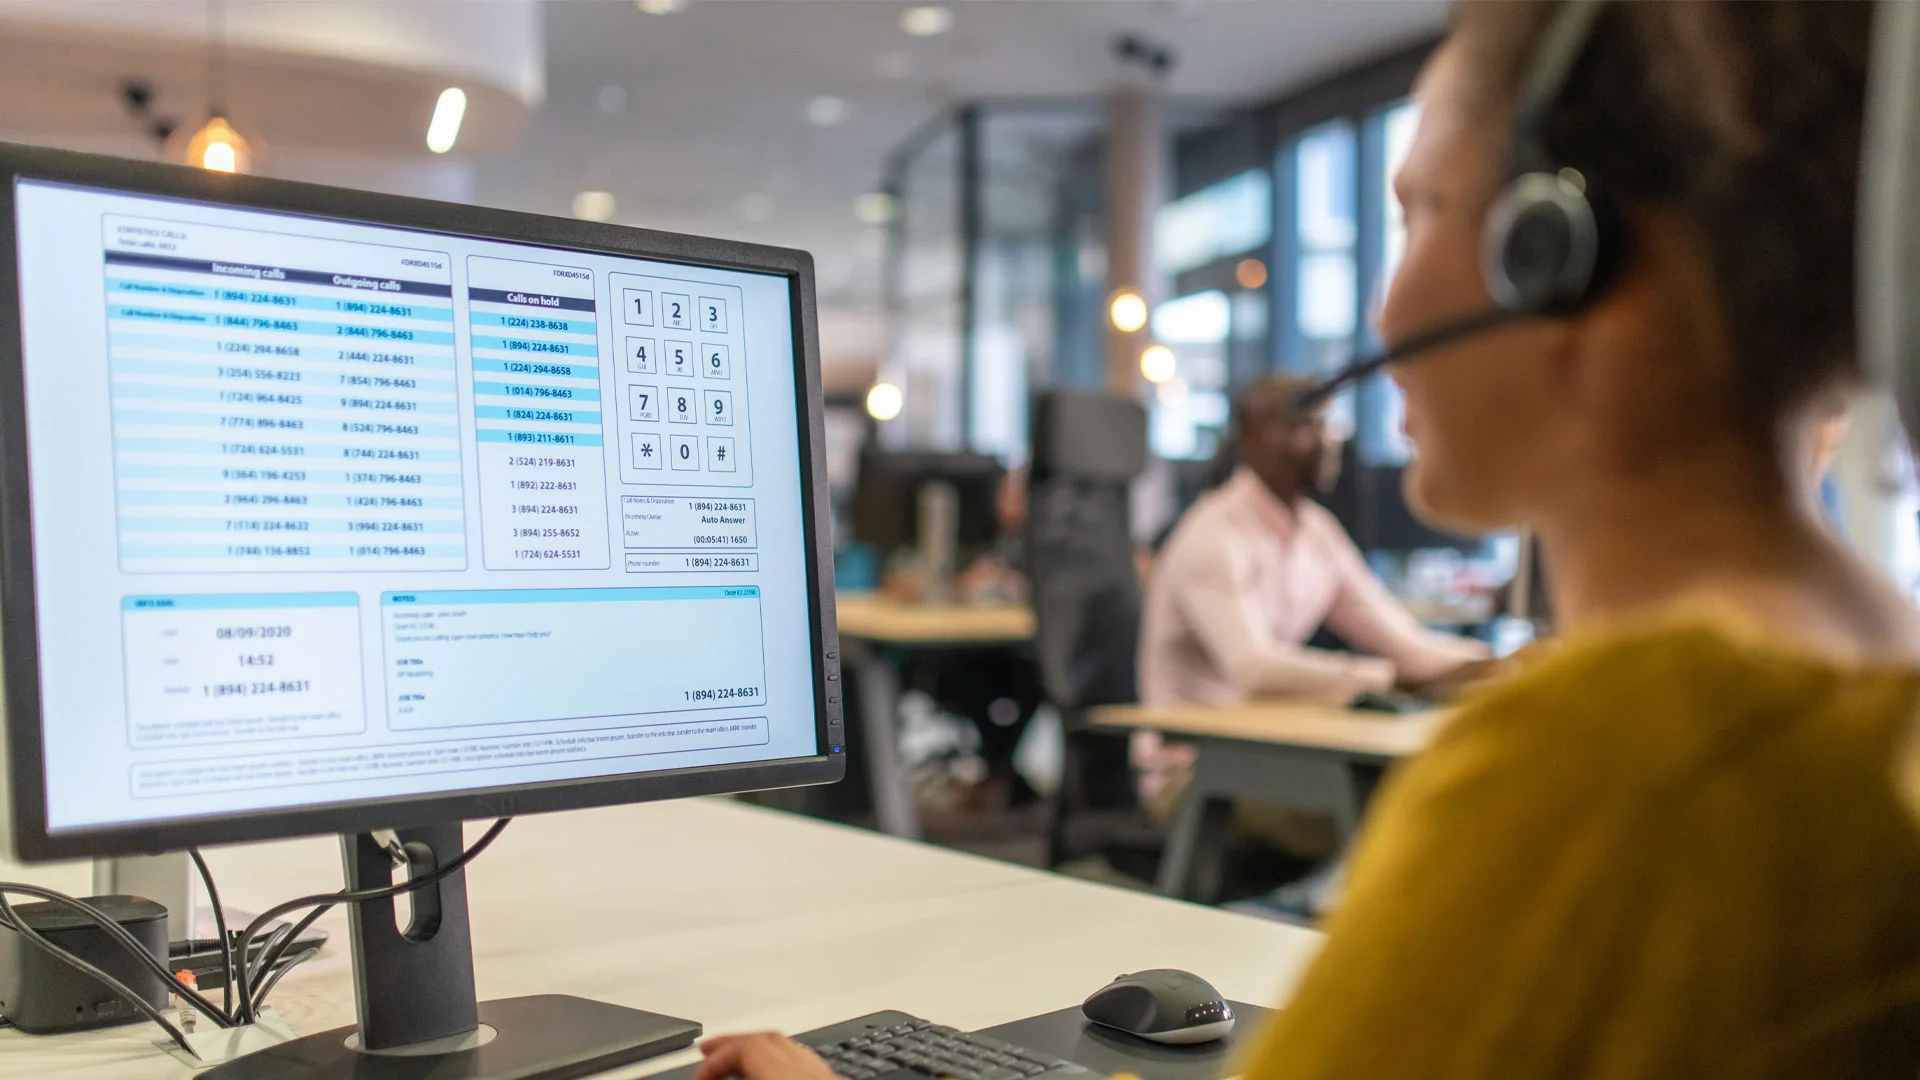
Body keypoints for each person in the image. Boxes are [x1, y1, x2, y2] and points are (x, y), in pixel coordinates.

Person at [691, 3, 1920, 1078]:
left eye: (1423, 208)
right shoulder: (1869, 689)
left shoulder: (1619, 772)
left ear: (1557, 255)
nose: (1384, 307)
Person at [1131, 372, 1491, 835]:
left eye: (1329, 425)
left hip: (1278, 751)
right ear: (1254, 436)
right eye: (1307, 426)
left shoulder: (1317, 533)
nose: (1327, 442)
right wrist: (1384, 678)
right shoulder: (1212, 535)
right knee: (1415, 805)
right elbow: (1253, 669)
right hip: (1194, 773)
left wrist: (1498, 667)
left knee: (1453, 778)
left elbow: (1407, 646)